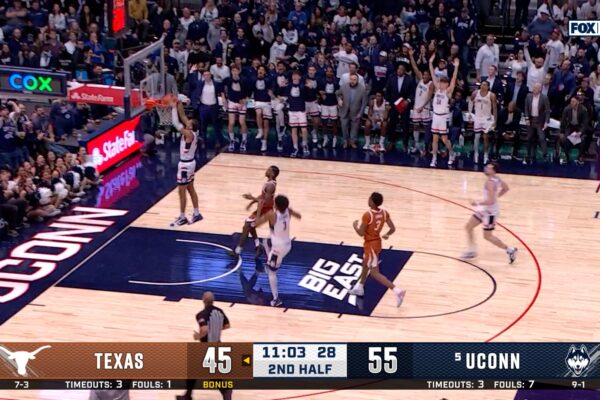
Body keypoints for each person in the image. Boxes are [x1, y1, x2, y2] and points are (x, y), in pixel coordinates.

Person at [348, 192, 406, 307]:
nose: (368, 200)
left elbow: (360, 233)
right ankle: (360, 287)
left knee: (375, 273)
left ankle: (397, 291)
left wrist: (355, 226)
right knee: (365, 264)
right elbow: (392, 228)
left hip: (371, 246)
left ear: (372, 202)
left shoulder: (367, 215)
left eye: (369, 199)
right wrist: (387, 234)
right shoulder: (384, 213)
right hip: (377, 243)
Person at [177, 292, 231, 400]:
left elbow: (204, 329)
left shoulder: (201, 314)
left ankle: (226, 391)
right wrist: (215, 329)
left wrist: (198, 336)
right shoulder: (219, 311)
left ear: (203, 300)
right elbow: (227, 325)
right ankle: (188, 395)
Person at [462, 162, 518, 263]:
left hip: (490, 213)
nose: (486, 169)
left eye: (489, 168)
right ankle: (472, 250)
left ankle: (510, 250)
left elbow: (491, 201)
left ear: (493, 171)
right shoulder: (497, 179)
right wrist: (496, 197)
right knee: (468, 227)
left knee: (487, 236)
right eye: (486, 167)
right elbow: (506, 188)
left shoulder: (490, 183)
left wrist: (476, 203)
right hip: (484, 209)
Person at [255, 195, 301, 307]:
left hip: (278, 249)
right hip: (287, 244)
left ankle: (276, 299)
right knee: (266, 242)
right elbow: (299, 216)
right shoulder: (288, 210)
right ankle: (269, 259)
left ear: (276, 205)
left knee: (272, 273)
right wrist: (290, 212)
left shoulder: (272, 214)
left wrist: (259, 209)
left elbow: (256, 224)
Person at [229, 166, 279, 258]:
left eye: (268, 170)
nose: (266, 171)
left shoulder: (270, 186)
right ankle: (258, 246)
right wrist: (251, 202)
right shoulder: (269, 183)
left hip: (265, 210)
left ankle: (237, 251)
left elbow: (266, 201)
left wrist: (252, 198)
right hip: (263, 208)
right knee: (250, 226)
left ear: (272, 174)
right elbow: (262, 196)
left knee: (247, 226)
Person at [169, 99, 203, 227]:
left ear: (191, 126)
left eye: (189, 122)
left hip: (185, 166)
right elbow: (183, 116)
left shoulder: (188, 134)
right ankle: (196, 213)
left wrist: (173, 108)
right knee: (190, 188)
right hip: (190, 163)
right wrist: (178, 103)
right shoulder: (193, 131)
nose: (187, 121)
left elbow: (175, 123)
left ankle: (182, 217)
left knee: (181, 191)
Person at [429, 53, 459, 167]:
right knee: (434, 139)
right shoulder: (437, 89)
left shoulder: (448, 92)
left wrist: (456, 67)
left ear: (447, 84)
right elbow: (432, 74)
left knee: (444, 139)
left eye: (444, 82)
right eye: (441, 82)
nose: (441, 84)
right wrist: (430, 63)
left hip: (442, 118)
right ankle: (434, 158)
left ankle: (451, 153)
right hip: (435, 116)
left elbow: (454, 79)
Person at [409, 47, 433, 155]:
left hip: (425, 108)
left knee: (426, 127)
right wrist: (411, 56)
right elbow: (414, 67)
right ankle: (416, 145)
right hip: (416, 107)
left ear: (430, 76)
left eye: (427, 75)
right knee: (416, 126)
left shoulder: (431, 84)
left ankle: (426, 147)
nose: (425, 76)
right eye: (424, 74)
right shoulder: (420, 79)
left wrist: (422, 107)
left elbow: (429, 97)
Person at [470, 80, 497, 165]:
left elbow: (495, 108)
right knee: (477, 137)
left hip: (486, 118)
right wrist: (470, 113)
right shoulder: (475, 93)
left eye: (485, 85)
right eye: (482, 84)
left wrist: (495, 120)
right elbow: (470, 101)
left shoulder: (491, 95)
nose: (483, 86)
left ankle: (486, 155)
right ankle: (476, 154)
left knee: (486, 137)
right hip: (477, 117)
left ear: (488, 87)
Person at [224, 64, 249, 152]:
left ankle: (244, 140)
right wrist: (224, 99)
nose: (234, 72)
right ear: (231, 71)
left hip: (242, 102)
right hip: (232, 101)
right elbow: (223, 90)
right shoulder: (227, 80)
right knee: (231, 122)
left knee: (242, 122)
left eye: (236, 70)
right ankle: (231, 140)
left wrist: (245, 99)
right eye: (233, 71)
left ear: (239, 71)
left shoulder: (244, 80)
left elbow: (248, 92)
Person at [524, 83, 551, 164]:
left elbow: (547, 110)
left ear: (540, 89)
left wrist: (546, 121)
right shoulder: (528, 96)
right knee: (529, 138)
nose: (534, 89)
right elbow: (526, 108)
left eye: (536, 88)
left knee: (542, 138)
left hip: (540, 121)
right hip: (531, 120)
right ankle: (528, 154)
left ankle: (545, 155)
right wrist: (527, 118)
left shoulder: (544, 98)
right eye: (534, 88)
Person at [558, 96, 589, 165]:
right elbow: (563, 121)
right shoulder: (567, 109)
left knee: (583, 139)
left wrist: (580, 132)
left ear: (577, 102)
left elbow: (585, 123)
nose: (571, 103)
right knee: (565, 138)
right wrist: (562, 132)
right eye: (571, 101)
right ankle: (566, 157)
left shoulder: (583, 110)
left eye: (573, 101)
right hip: (570, 126)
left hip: (579, 127)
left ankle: (579, 157)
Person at [339, 73, 367, 149]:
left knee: (355, 128)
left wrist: (360, 113)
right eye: (351, 79)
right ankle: (345, 141)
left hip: (356, 111)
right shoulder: (344, 86)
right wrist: (339, 100)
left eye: (354, 80)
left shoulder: (362, 89)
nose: (352, 81)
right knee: (344, 126)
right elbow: (338, 94)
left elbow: (364, 103)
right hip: (344, 110)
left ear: (357, 80)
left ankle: (352, 142)